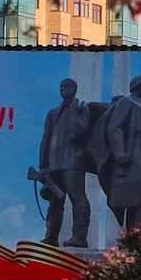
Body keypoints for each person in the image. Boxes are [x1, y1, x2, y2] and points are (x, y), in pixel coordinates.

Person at [91, 69, 141, 238]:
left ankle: (134, 237)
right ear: (136, 87)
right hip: (135, 149)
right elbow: (115, 127)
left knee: (140, 196)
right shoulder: (127, 102)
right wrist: (119, 151)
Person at [36, 77, 95, 247]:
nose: (62, 88)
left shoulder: (82, 109)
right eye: (61, 86)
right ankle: (51, 236)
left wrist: (74, 111)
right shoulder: (53, 113)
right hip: (54, 164)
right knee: (55, 202)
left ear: (74, 90)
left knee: (78, 198)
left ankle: (79, 237)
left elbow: (77, 133)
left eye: (66, 86)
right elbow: (46, 140)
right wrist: (43, 166)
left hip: (73, 162)